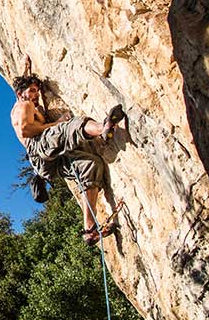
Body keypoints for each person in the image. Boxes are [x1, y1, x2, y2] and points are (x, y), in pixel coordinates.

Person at [10, 71, 126, 246]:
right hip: (38, 146)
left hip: (44, 165)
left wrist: (27, 65)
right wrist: (56, 124)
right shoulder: (24, 105)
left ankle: (89, 229)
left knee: (91, 165)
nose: (35, 95)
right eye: (32, 91)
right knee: (68, 127)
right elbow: (25, 130)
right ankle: (102, 128)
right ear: (20, 94)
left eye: (37, 91)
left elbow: (24, 87)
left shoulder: (25, 104)